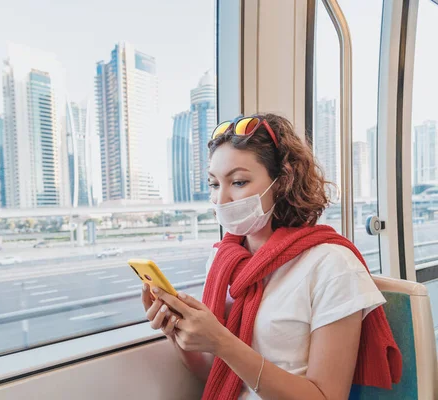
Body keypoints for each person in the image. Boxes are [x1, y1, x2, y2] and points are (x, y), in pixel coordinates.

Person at [141, 114, 402, 400]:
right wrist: (176, 331)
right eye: (214, 184)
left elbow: (326, 397)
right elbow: (216, 374)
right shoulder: (223, 261)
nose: (221, 199)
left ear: (282, 181)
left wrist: (223, 342)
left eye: (238, 182)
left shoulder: (332, 265)